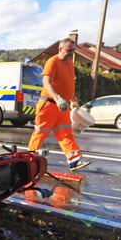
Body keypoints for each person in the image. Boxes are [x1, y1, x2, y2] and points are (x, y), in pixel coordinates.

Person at [27, 38, 90, 171]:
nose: (71, 53)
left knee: (66, 133)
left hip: (63, 107)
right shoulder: (52, 62)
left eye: (73, 50)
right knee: (40, 133)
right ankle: (29, 158)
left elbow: (67, 83)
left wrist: (72, 98)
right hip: (49, 105)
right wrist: (58, 98)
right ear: (60, 49)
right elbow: (47, 83)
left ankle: (74, 160)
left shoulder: (70, 64)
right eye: (69, 50)